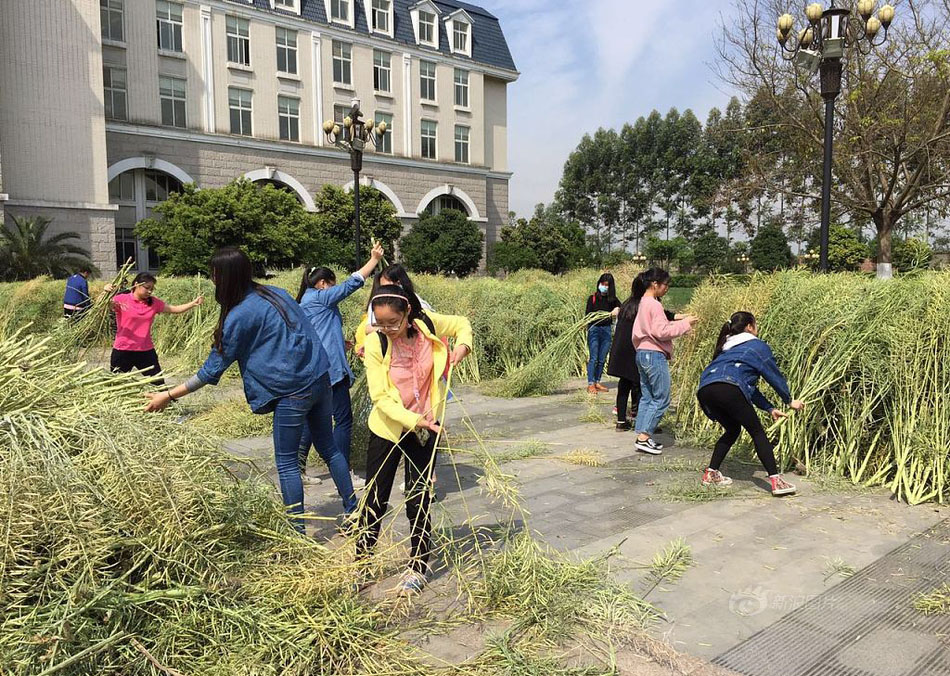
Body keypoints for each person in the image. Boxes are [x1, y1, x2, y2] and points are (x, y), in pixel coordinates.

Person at [143, 247, 354, 532]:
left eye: (213, 274)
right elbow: (306, 331)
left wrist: (166, 396)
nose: (212, 279)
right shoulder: (275, 292)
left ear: (222, 277)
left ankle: (298, 534)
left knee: (288, 463)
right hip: (318, 378)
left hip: (291, 393)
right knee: (329, 448)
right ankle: (354, 511)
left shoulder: (239, 316)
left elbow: (210, 371)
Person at [358, 285, 472, 595]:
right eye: (381, 323)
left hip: (425, 428)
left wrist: (461, 349)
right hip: (389, 429)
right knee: (375, 498)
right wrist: (414, 420)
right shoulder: (376, 343)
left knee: (418, 497)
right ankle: (362, 562)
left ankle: (419, 564)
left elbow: (462, 323)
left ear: (408, 313)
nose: (388, 330)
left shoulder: (428, 325)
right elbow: (380, 398)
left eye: (393, 322)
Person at [296, 242, 385, 489]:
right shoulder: (320, 298)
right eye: (331, 283)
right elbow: (351, 285)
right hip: (330, 371)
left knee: (312, 419)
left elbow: (318, 332)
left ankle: (298, 467)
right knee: (343, 420)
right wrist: (373, 261)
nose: (333, 287)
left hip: (316, 369)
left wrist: (341, 342)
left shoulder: (306, 300)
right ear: (323, 283)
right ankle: (343, 471)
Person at [697, 312, 803, 496]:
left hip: (706, 389)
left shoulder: (726, 348)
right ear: (749, 326)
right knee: (757, 432)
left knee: (732, 429)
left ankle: (711, 473)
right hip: (728, 387)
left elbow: (747, 387)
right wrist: (789, 400)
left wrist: (769, 408)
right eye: (756, 324)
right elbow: (772, 374)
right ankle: (776, 481)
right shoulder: (757, 346)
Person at [632, 268, 699, 455]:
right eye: (665, 285)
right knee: (662, 398)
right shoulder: (654, 305)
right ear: (655, 284)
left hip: (642, 352)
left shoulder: (643, 303)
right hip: (653, 354)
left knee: (648, 396)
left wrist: (680, 326)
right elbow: (661, 332)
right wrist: (685, 324)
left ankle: (642, 435)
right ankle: (644, 437)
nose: (667, 288)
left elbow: (656, 328)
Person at [608, 278, 684, 432]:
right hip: (637, 349)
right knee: (645, 389)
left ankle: (622, 421)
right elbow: (659, 323)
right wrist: (682, 321)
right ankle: (645, 423)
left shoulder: (627, 304)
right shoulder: (645, 305)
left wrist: (675, 316)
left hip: (621, 350)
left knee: (624, 386)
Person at [109, 272, 203, 384]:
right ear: (136, 284)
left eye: (152, 289)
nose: (149, 291)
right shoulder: (122, 299)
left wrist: (193, 303)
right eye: (147, 288)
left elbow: (175, 309)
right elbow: (104, 305)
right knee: (115, 384)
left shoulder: (154, 303)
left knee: (158, 384)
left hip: (145, 350)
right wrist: (106, 292)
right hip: (123, 349)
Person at [585, 273, 621, 395]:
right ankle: (590, 384)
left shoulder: (613, 300)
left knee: (602, 359)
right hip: (594, 330)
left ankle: (597, 381)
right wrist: (609, 315)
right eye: (602, 284)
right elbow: (589, 317)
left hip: (606, 330)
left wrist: (617, 312)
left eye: (606, 285)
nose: (604, 287)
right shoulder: (593, 298)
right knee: (594, 358)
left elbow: (622, 309)